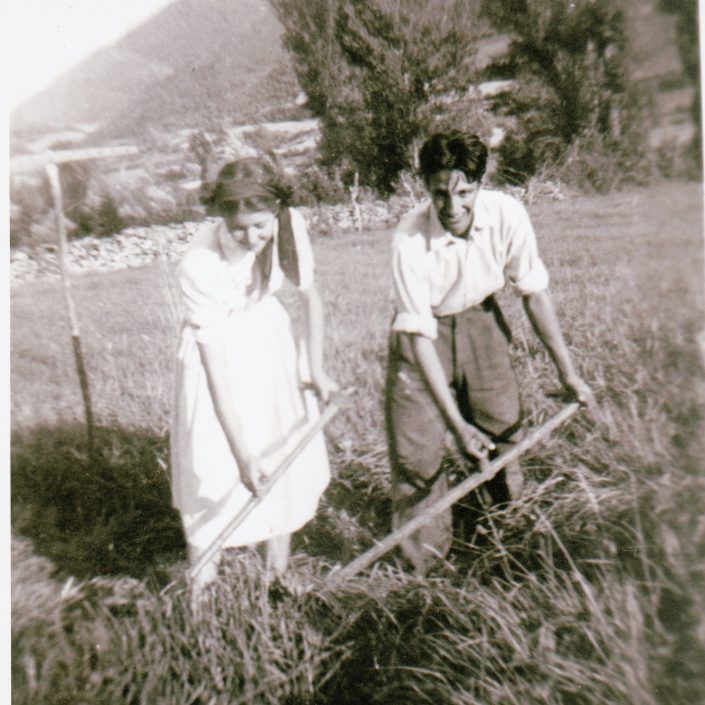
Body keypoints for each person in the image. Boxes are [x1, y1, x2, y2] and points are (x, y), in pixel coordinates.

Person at [386, 131, 595, 575]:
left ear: (481, 184)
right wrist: (456, 425)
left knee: (503, 430)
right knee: (417, 454)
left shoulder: (507, 214)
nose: (452, 206)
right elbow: (418, 336)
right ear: (425, 187)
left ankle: (510, 540)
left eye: (464, 192)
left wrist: (568, 373)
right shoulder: (409, 237)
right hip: (423, 336)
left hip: (482, 320)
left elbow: (534, 293)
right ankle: (424, 569)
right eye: (440, 193)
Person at [170, 157, 338, 595]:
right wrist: (240, 452)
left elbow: (309, 295)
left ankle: (275, 578)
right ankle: (202, 589)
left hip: (268, 342)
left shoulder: (289, 224)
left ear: (277, 210)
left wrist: (316, 368)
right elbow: (214, 367)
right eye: (238, 228)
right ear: (221, 217)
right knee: (212, 467)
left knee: (280, 451)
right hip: (217, 359)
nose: (251, 238)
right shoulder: (199, 265)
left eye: (260, 226)